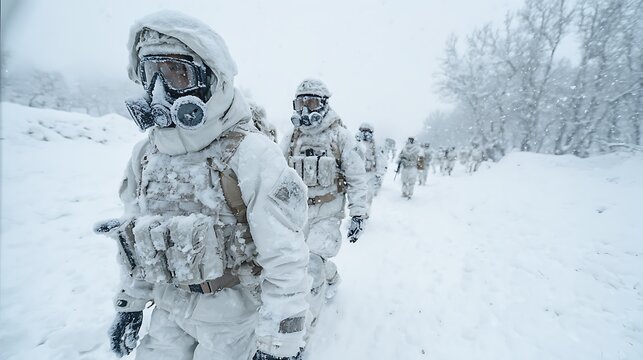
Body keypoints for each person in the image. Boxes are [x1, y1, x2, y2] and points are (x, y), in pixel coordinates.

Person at [95, 11, 311, 360]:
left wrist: (279, 346)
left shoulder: (251, 154)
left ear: (209, 80)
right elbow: (138, 240)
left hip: (233, 318)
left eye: (176, 75)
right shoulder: (146, 156)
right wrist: (130, 303)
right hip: (167, 310)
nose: (160, 92)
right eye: (151, 76)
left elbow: (285, 259)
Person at [281, 78, 368, 322]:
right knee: (297, 259)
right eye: (301, 103)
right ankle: (332, 276)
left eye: (312, 102)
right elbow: (274, 173)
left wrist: (358, 213)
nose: (306, 110)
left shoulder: (340, 137)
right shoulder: (292, 138)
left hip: (328, 211)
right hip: (296, 214)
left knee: (311, 264)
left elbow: (357, 177)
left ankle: (304, 328)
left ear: (324, 105)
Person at [355, 122, 387, 216]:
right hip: (356, 174)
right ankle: (356, 215)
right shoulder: (355, 143)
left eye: (367, 131)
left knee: (368, 195)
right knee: (357, 196)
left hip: (370, 174)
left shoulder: (375, 145)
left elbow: (380, 160)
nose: (365, 134)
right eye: (363, 131)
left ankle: (365, 213)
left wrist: (379, 174)